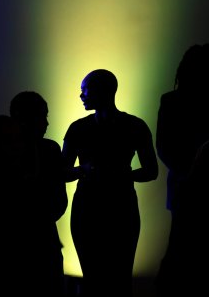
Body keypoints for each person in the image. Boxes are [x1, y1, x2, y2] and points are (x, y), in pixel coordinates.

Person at [62, 69, 158, 297]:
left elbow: (62, 171)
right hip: (119, 206)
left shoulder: (78, 128)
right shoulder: (135, 126)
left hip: (90, 207)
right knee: (118, 278)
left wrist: (83, 170)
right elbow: (150, 171)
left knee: (96, 278)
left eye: (85, 90)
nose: (81, 95)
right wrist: (124, 175)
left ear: (102, 91)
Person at [154, 43, 209, 295]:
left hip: (186, 189)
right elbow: (164, 147)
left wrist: (188, 171)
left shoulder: (172, 100)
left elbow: (164, 147)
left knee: (181, 255)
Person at [8, 91, 68, 297]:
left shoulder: (50, 149)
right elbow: (59, 199)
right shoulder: (50, 149)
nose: (46, 123)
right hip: (44, 237)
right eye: (42, 117)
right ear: (23, 119)